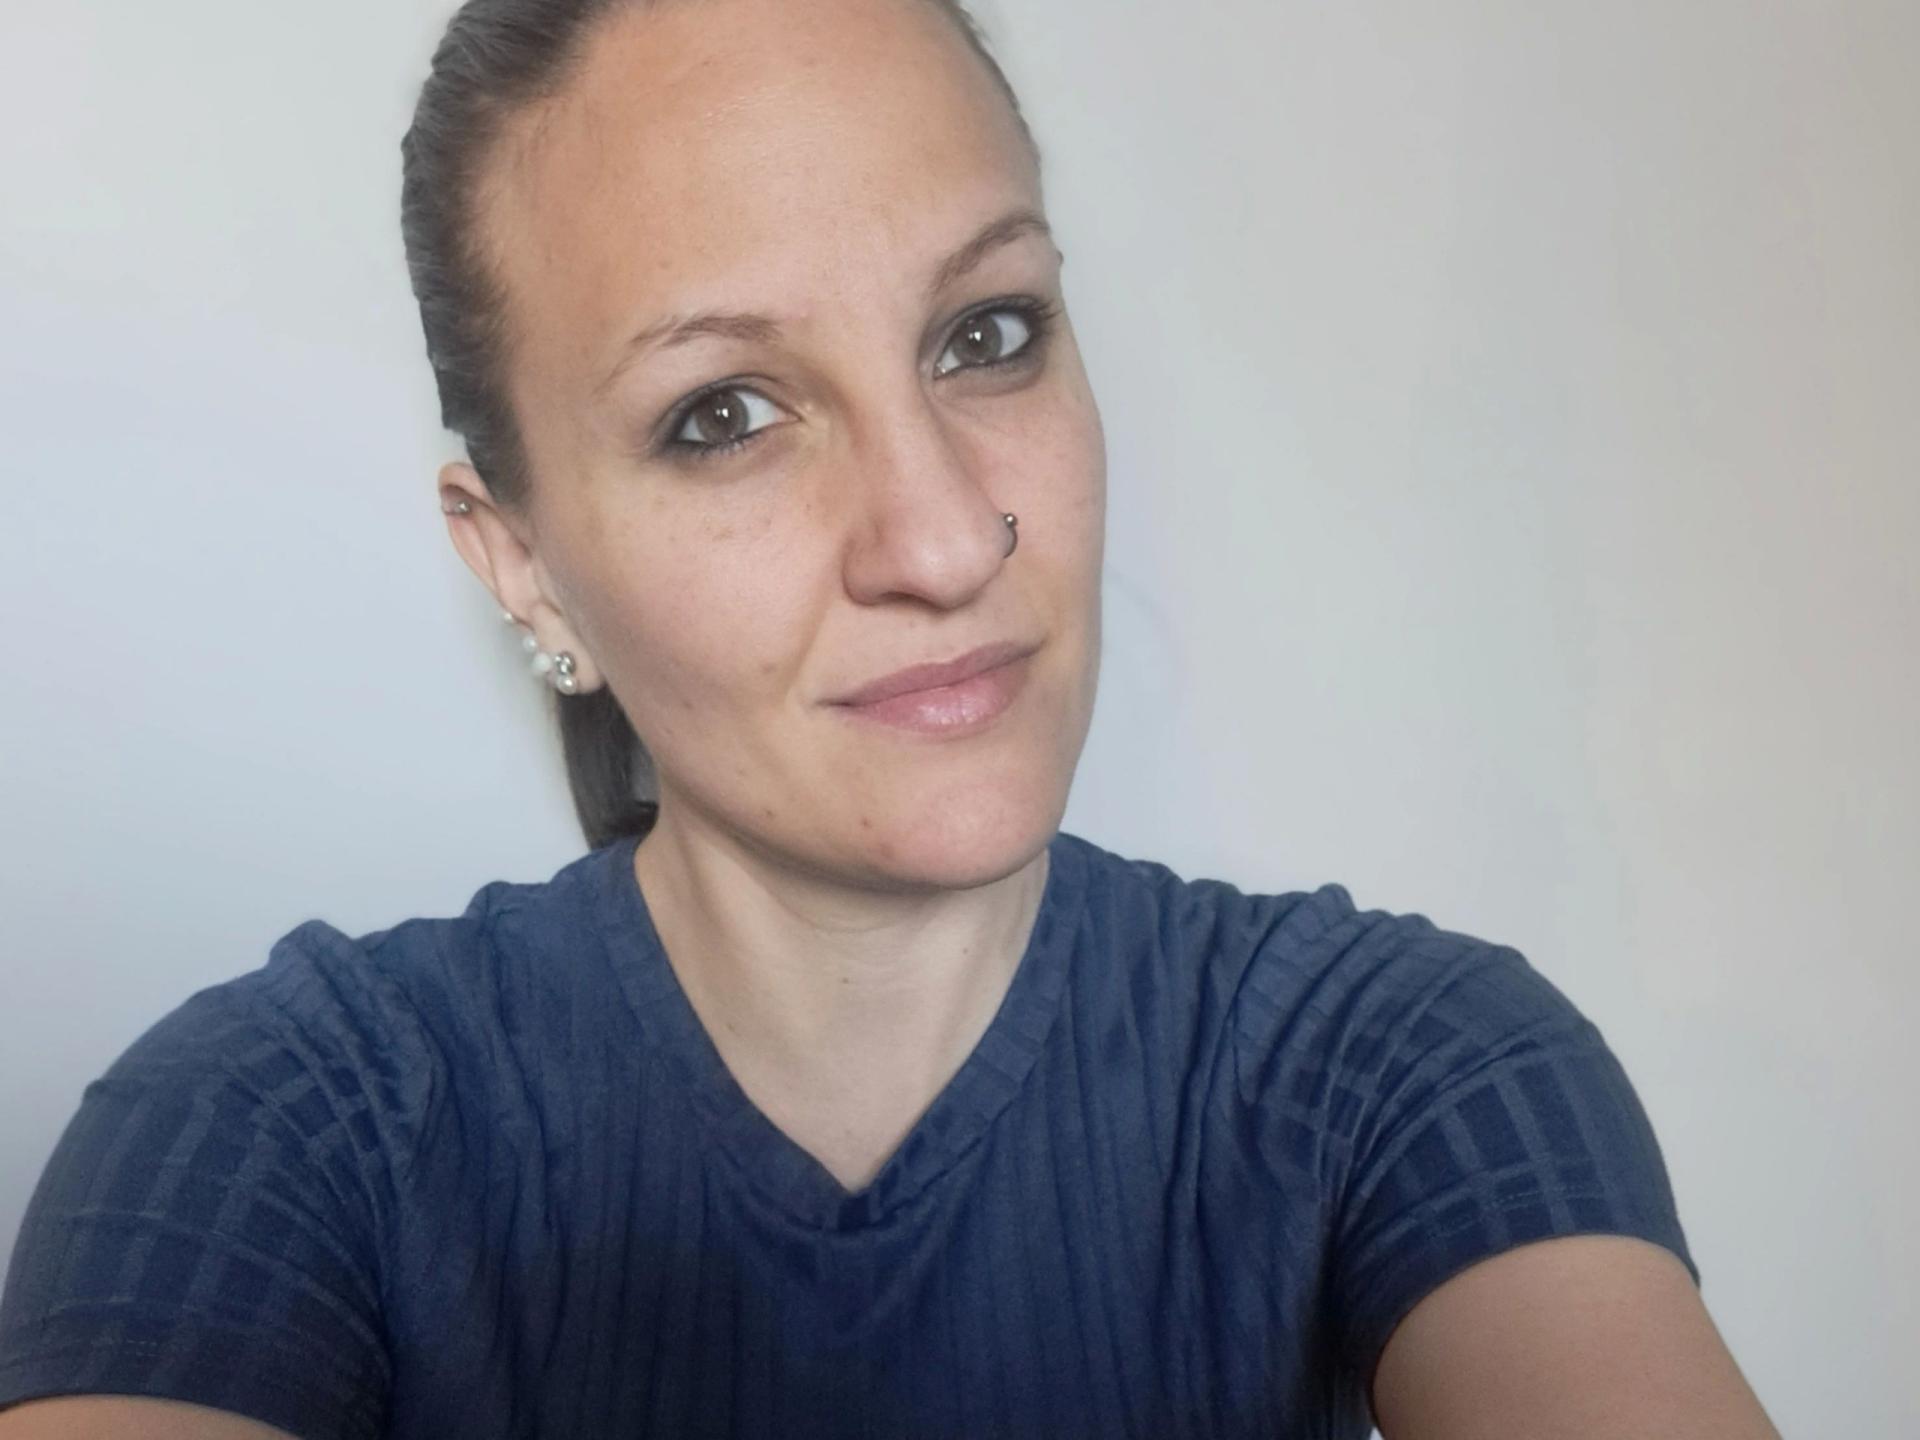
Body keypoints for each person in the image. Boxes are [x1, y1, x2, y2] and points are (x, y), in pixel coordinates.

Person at [0, 0, 1782, 1435]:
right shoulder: (275, 1134)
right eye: (722, 414)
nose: (939, 541)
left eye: (986, 334)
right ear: (522, 562)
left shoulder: (1398, 1067)